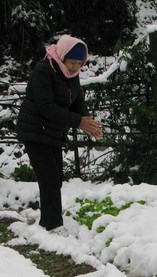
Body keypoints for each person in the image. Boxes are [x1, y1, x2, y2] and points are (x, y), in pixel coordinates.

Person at [16, 34, 102, 233]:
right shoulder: (44, 70)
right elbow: (46, 107)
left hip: (53, 132)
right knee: (49, 178)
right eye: (72, 62)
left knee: (56, 178)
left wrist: (87, 119)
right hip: (35, 130)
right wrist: (78, 121)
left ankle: (50, 221)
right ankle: (52, 225)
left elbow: (77, 99)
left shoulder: (71, 74)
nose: (74, 67)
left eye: (79, 64)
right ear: (62, 56)